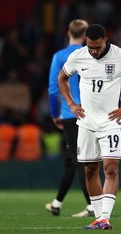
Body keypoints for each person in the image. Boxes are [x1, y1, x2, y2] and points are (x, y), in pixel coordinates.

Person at [58, 24, 121, 230]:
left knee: (110, 169)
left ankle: (105, 218)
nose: (93, 51)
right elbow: (62, 78)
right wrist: (71, 104)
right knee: (90, 170)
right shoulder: (78, 56)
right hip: (86, 123)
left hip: (110, 123)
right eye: (90, 47)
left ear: (106, 40)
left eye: (97, 47)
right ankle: (99, 217)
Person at [44, 19, 93, 217]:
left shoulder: (59, 57)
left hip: (69, 114)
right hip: (90, 112)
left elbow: (53, 89)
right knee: (73, 159)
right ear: (85, 36)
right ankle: (56, 203)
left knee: (80, 160)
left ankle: (92, 206)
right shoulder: (91, 54)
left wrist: (55, 114)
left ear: (67, 32)